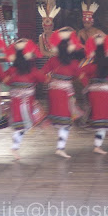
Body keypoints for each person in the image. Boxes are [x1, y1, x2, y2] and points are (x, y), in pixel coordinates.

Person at [41, 27, 83, 158]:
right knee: (66, 122)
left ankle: (59, 145)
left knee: (60, 120)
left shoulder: (52, 60)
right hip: (65, 94)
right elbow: (78, 76)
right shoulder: (74, 63)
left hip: (53, 92)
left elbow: (42, 73)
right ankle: (60, 147)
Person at [3, 38, 46, 160]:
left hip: (17, 101)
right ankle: (14, 147)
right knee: (23, 126)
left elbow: (6, 81)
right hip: (26, 102)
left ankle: (15, 147)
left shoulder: (12, 70)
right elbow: (43, 79)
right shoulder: (32, 71)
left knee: (21, 126)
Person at [79, 34, 108, 155]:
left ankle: (97, 145)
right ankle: (97, 145)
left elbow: (81, 75)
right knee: (104, 122)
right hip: (105, 93)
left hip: (94, 93)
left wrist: (89, 86)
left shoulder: (90, 64)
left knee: (96, 118)